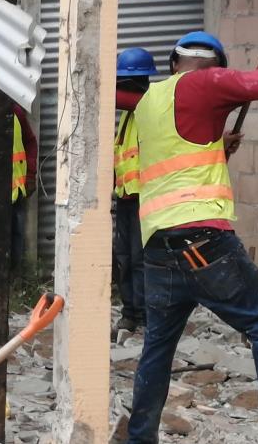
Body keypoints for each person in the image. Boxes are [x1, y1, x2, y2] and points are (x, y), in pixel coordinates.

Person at [120, 0, 258, 444]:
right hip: (203, 239)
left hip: (160, 247)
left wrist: (216, 147)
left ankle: (139, 437)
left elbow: (177, 153)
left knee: (157, 349)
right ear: (216, 68)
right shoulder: (207, 83)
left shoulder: (149, 103)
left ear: (171, 64)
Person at [112, 48, 158, 336]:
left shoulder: (148, 105)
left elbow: (120, 98)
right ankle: (130, 312)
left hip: (146, 198)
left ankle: (142, 315)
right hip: (127, 196)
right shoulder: (129, 114)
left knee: (140, 260)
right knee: (124, 258)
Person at [11, 104, 38, 278]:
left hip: (15, 192)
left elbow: (30, 142)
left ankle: (11, 281)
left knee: (15, 241)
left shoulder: (15, 112)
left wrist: (30, 174)